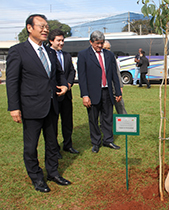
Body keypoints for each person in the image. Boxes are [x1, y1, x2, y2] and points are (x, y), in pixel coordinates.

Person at [6, 14, 71, 193]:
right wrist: (14, 107)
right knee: (30, 146)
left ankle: (53, 172)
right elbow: (12, 81)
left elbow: (59, 73)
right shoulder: (18, 51)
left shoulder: (50, 51)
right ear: (29, 28)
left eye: (47, 26)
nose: (45, 29)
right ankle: (36, 177)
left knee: (52, 143)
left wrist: (65, 85)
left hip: (52, 105)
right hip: (31, 107)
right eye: (41, 26)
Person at [77, 30, 122, 153]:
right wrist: (85, 95)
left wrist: (118, 92)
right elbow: (82, 77)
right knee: (93, 118)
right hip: (92, 93)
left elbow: (114, 75)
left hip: (107, 92)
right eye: (97, 43)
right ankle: (96, 142)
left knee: (107, 117)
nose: (100, 46)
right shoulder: (83, 55)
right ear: (91, 42)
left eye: (101, 43)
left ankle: (108, 140)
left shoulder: (109, 55)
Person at [48, 29, 79, 157]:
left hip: (66, 94)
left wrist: (68, 85)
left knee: (67, 122)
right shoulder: (47, 54)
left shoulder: (66, 55)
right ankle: (55, 149)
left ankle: (68, 145)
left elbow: (72, 71)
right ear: (51, 41)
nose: (61, 43)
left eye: (62, 40)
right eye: (58, 40)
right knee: (53, 124)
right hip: (53, 95)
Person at [103, 40, 127, 114]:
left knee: (120, 105)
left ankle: (125, 121)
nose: (107, 50)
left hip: (114, 86)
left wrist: (120, 86)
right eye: (105, 48)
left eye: (108, 48)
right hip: (104, 88)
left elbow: (117, 72)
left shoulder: (111, 57)